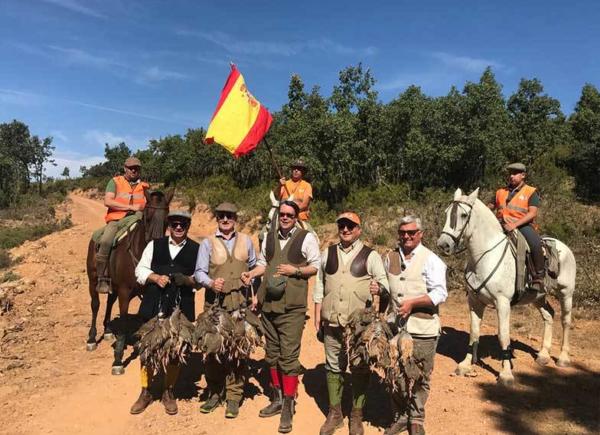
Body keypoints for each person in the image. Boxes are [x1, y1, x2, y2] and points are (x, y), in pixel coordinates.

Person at [241, 200, 320, 434]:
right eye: (282, 214)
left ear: (296, 217)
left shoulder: (306, 238)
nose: (285, 218)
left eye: (289, 215)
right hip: (269, 305)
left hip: (292, 308)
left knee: (288, 356)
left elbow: (315, 266)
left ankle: (288, 403)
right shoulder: (269, 236)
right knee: (272, 354)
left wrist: (294, 270)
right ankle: (276, 398)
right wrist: (252, 273)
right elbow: (264, 264)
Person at [313, 212, 389, 435]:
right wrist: (317, 315)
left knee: (360, 368)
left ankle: (356, 415)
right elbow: (319, 285)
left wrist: (379, 289)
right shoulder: (327, 253)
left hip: (359, 328)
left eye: (350, 226)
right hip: (332, 322)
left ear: (359, 229)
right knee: (333, 366)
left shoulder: (370, 255)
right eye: (342, 225)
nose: (345, 229)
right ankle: (335, 413)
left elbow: (384, 284)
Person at [383, 215, 447, 435]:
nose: (406, 236)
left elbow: (440, 293)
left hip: (423, 328)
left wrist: (414, 303)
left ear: (421, 234)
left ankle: (416, 417)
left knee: (419, 374)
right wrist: (379, 290)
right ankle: (400, 415)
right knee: (395, 373)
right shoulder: (389, 257)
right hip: (395, 328)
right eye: (402, 232)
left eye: (411, 232)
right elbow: (386, 287)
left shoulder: (431, 259)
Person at [130, 210, 199, 415]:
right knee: (148, 348)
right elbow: (140, 270)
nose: (179, 228)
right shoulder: (154, 245)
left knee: (176, 351)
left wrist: (187, 280)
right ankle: (146, 391)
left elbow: (202, 277)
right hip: (154, 304)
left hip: (181, 307)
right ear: (169, 226)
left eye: (183, 225)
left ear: (188, 226)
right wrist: (155, 277)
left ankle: (168, 391)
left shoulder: (197, 249)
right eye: (175, 224)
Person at [193, 202, 257, 419]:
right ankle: (214, 392)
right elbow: (199, 272)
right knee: (212, 352)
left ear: (235, 218)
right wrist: (211, 283)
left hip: (240, 304)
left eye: (229, 215)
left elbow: (255, 268)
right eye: (221, 216)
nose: (225, 219)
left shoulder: (246, 241)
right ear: (217, 218)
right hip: (215, 306)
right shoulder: (207, 243)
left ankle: (233, 396)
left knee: (238, 351)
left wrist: (254, 293)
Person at [96, 156, 149, 294]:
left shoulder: (145, 186)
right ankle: (102, 277)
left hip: (138, 219)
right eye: (131, 168)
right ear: (125, 168)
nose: (133, 170)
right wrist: (130, 207)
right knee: (106, 240)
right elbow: (108, 201)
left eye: (136, 168)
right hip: (117, 219)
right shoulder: (115, 182)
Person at [489, 162, 545, 292]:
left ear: (523, 175)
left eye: (515, 173)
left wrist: (514, 225)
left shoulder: (531, 192)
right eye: (510, 173)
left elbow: (532, 213)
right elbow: (489, 207)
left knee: (535, 244)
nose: (511, 176)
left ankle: (538, 277)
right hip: (500, 225)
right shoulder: (500, 192)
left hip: (522, 226)